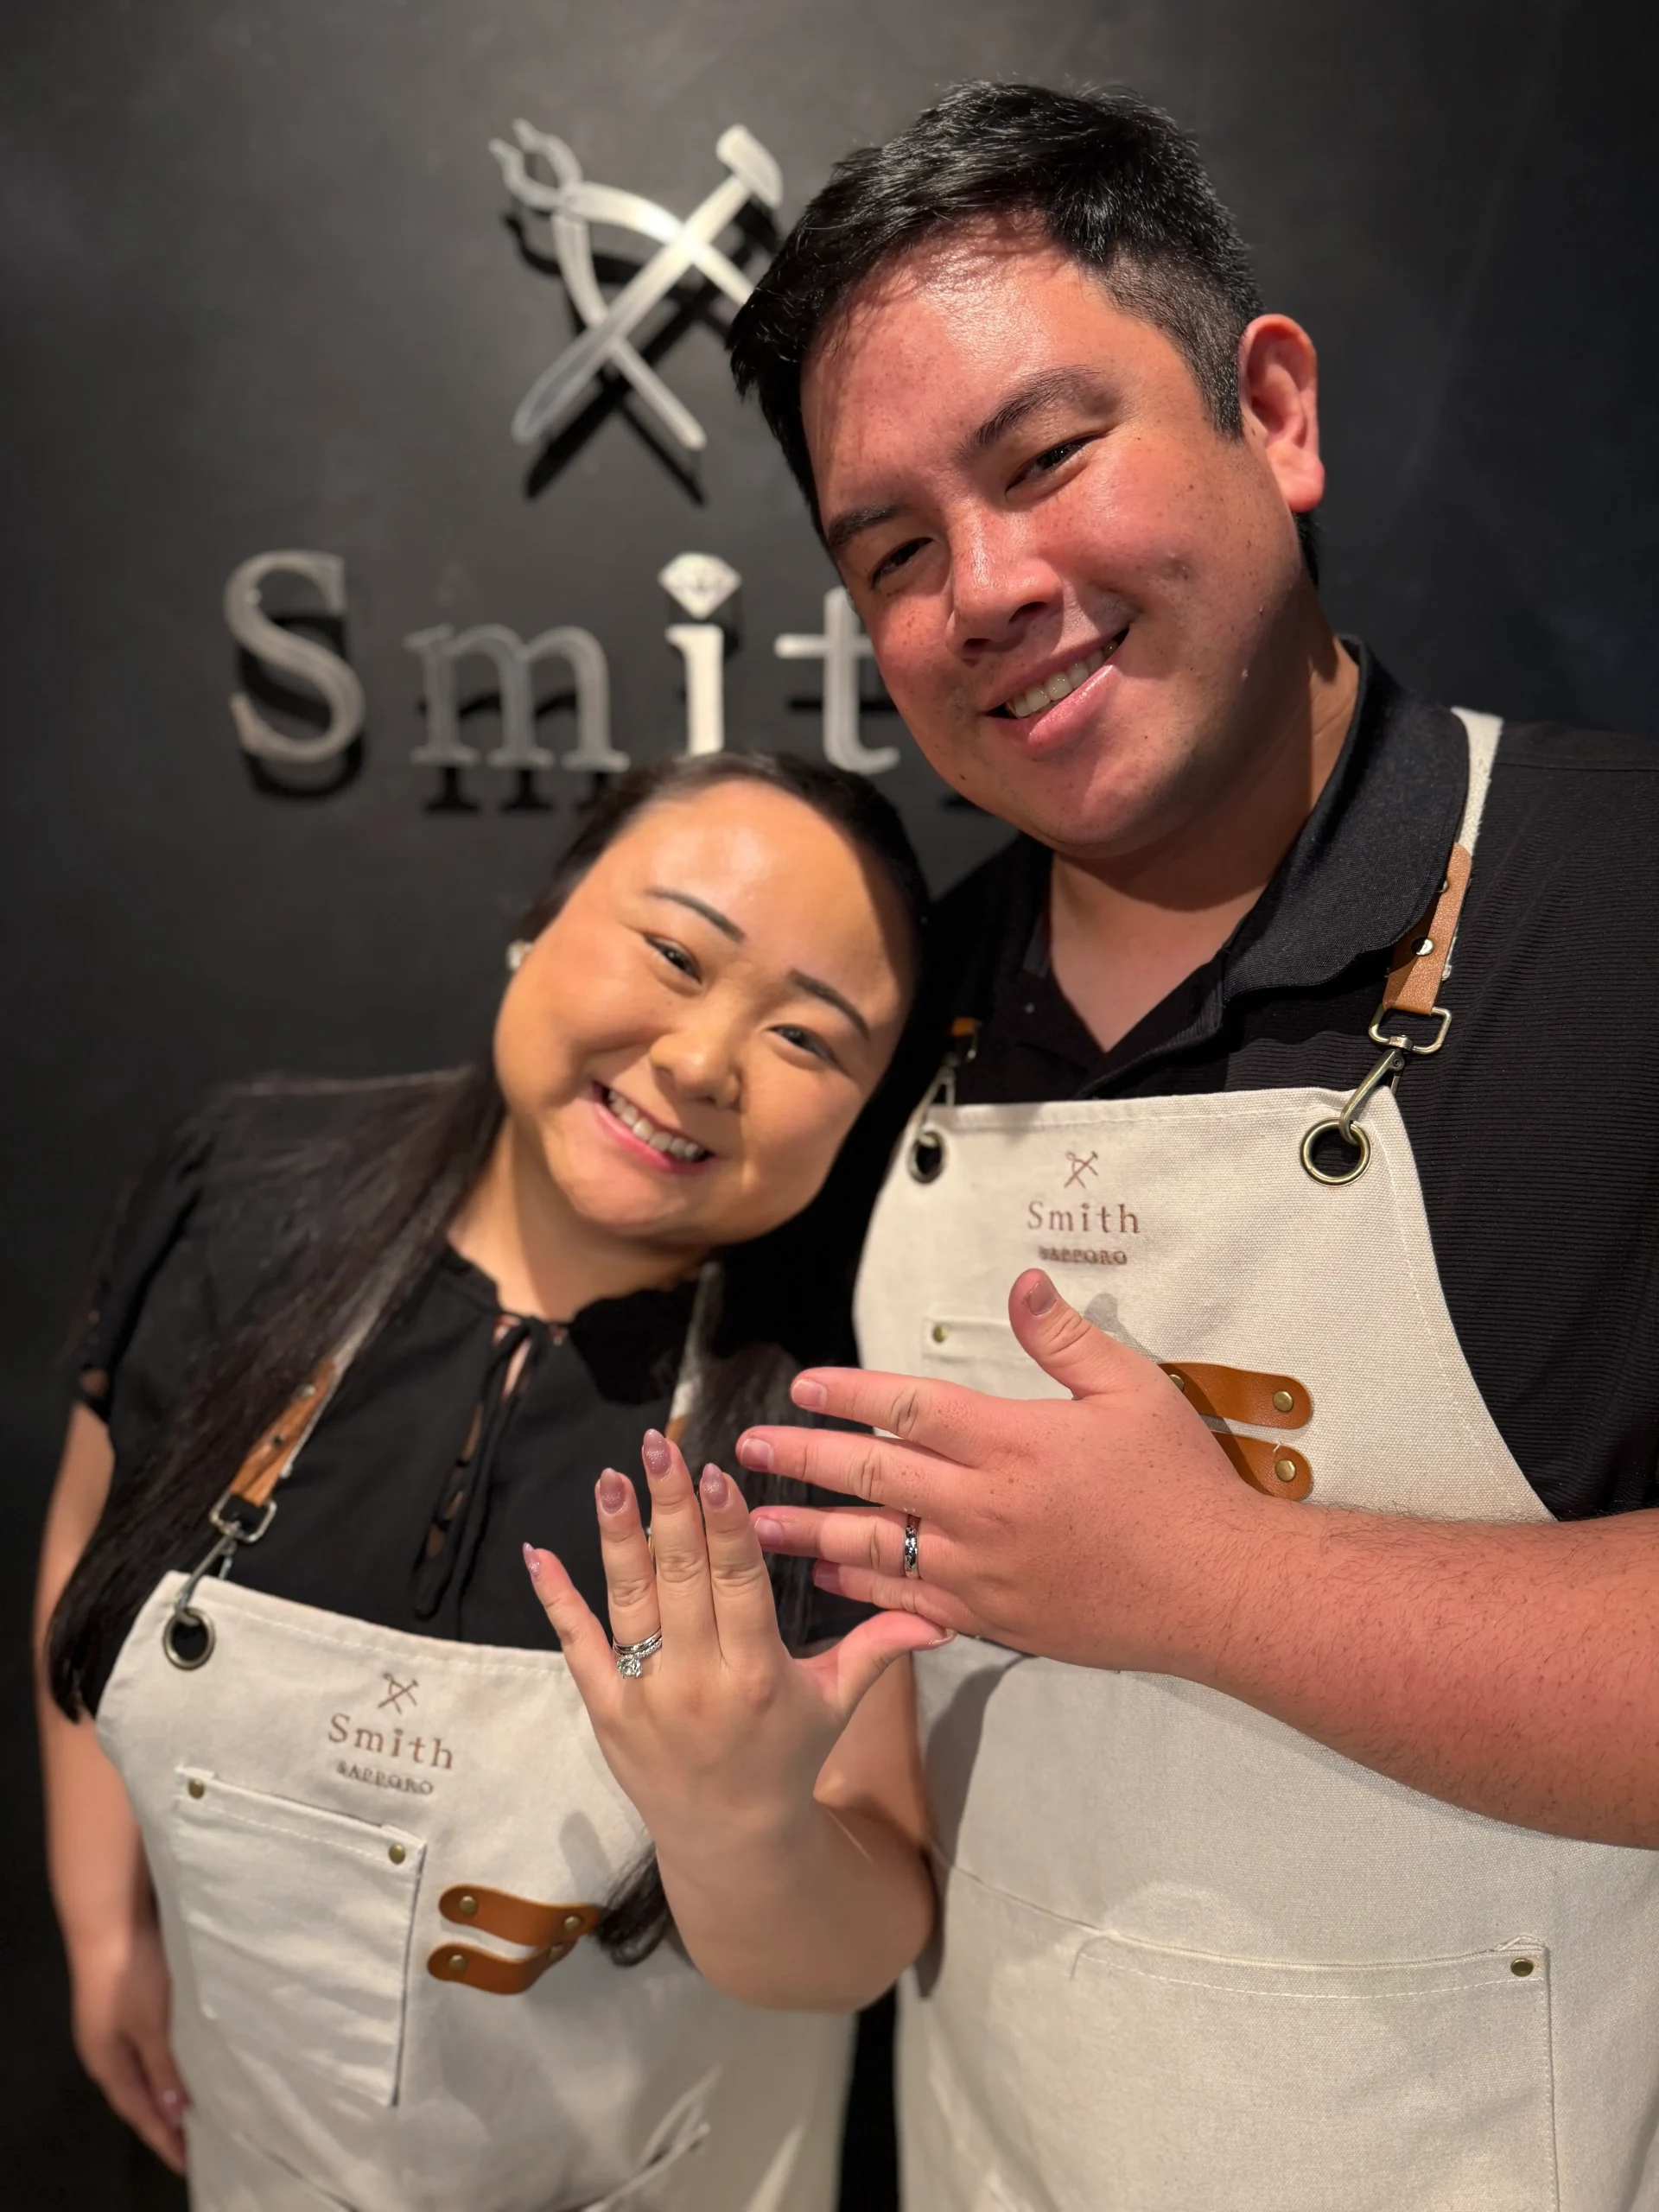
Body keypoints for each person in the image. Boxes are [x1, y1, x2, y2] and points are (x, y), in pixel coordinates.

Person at [709, 81, 1659, 2212]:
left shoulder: (1614, 906)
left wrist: (1209, 1580)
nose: (987, 587)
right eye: (894, 551)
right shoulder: (889, 1026)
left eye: (1048, 457)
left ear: (1275, 410)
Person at [35, 752, 947, 2212]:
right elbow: (98, 1543)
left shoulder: (832, 1412)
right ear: (542, 917)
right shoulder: (241, 1197)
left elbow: (867, 1933)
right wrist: (103, 1926)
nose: (703, 1061)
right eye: (675, 954)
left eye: (808, 1039)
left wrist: (742, 1821)